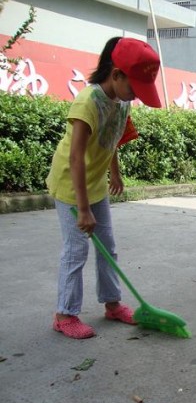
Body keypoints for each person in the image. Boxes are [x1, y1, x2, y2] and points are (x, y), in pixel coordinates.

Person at [46, 37, 162, 339]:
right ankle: (64, 314)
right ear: (116, 74)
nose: (136, 96)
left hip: (95, 182)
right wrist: (82, 210)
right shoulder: (88, 101)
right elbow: (75, 157)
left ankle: (112, 304)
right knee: (76, 250)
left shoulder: (122, 102)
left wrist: (115, 173)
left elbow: (112, 139)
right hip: (71, 184)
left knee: (107, 246)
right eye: (134, 87)